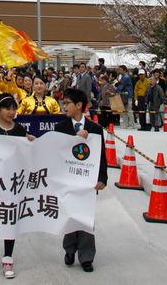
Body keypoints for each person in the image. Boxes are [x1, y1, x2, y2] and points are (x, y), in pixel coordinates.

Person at [0, 93, 36, 279]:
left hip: (12, 183)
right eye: (7, 108)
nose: (11, 112)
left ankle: (8, 258)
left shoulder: (19, 129)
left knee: (10, 215)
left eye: (14, 108)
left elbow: (27, 153)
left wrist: (31, 142)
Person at [55, 88, 107, 273]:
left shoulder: (95, 128)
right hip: (68, 180)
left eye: (67, 103)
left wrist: (102, 178)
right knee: (69, 215)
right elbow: (57, 151)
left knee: (85, 218)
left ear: (79, 106)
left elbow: (102, 156)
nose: (64, 107)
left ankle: (86, 256)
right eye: (63, 103)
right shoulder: (61, 127)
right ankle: (69, 249)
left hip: (88, 182)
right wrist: (75, 138)